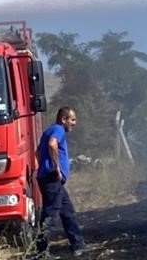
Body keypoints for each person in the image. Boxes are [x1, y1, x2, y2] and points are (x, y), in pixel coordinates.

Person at [36, 107, 85, 257]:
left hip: (50, 179)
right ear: (64, 119)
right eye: (72, 119)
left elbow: (38, 153)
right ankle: (41, 253)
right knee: (50, 215)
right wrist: (55, 167)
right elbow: (52, 144)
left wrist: (43, 167)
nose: (74, 123)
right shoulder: (58, 130)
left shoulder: (49, 129)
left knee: (68, 212)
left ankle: (78, 245)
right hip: (52, 179)